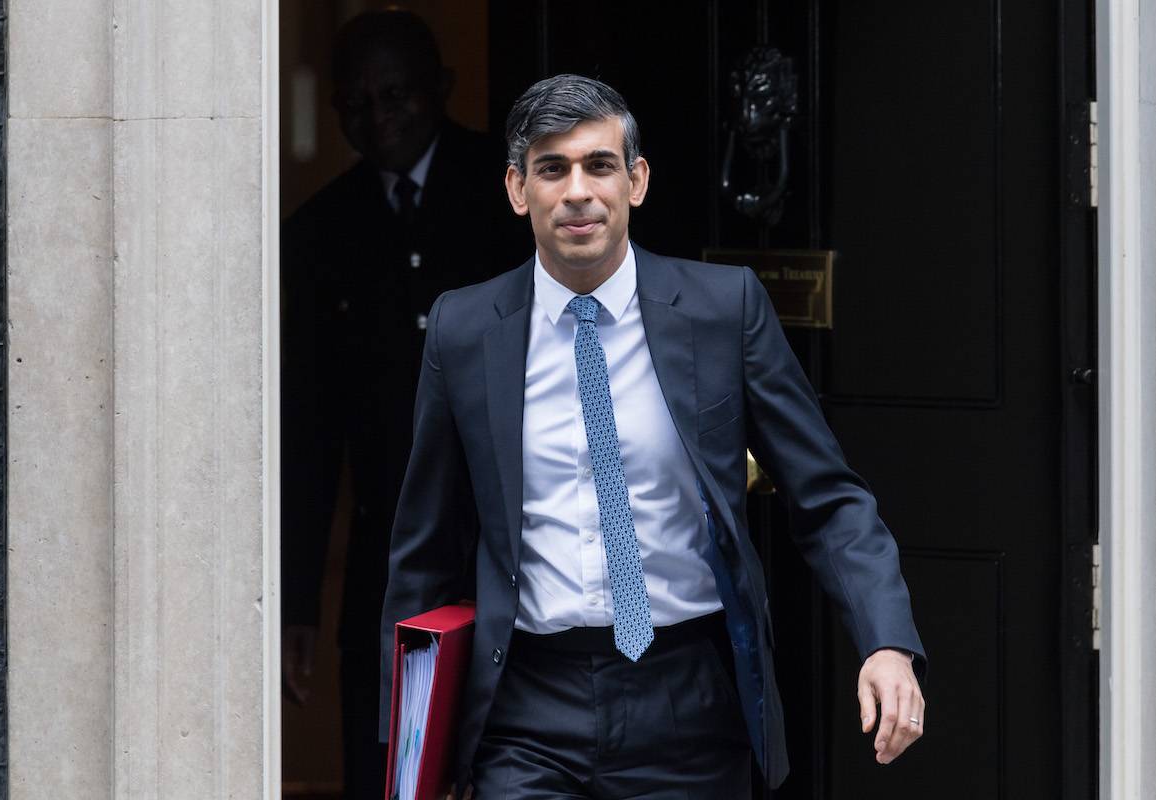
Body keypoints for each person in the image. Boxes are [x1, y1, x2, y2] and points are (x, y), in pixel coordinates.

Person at [379, 74, 926, 797]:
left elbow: (827, 497)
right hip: (525, 703)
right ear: (518, 189)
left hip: (685, 700)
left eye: (599, 165)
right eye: (552, 168)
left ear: (635, 180)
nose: (578, 191)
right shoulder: (466, 329)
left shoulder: (722, 311)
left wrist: (887, 642)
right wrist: (414, 745)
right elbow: (424, 548)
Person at [280, 10, 524, 800]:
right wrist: (296, 600)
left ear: (440, 89)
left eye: (397, 94)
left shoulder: (510, 196)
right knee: (390, 764)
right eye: (357, 101)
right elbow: (309, 432)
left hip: (516, 540)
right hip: (389, 563)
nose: (377, 117)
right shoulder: (320, 232)